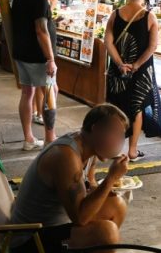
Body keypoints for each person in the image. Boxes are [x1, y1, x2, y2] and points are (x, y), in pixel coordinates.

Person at [10, 104, 130, 252]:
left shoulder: (89, 148)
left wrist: (107, 190)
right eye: (114, 134)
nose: (117, 142)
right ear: (96, 129)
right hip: (30, 238)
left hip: (57, 223)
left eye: (120, 136)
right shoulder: (66, 156)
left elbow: (90, 185)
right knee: (107, 233)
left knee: (117, 205)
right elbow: (80, 218)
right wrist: (111, 178)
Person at [104, 0, 161, 161]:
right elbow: (152, 46)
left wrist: (119, 63)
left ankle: (114, 148)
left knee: (116, 107)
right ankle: (132, 150)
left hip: (118, 70)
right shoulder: (149, 17)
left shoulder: (115, 14)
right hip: (141, 71)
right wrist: (136, 65)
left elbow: (108, 42)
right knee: (136, 107)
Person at [12, 0, 58, 150]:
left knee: (27, 93)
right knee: (50, 92)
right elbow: (41, 30)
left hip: (21, 53)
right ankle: (50, 138)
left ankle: (28, 138)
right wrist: (50, 58)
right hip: (38, 57)